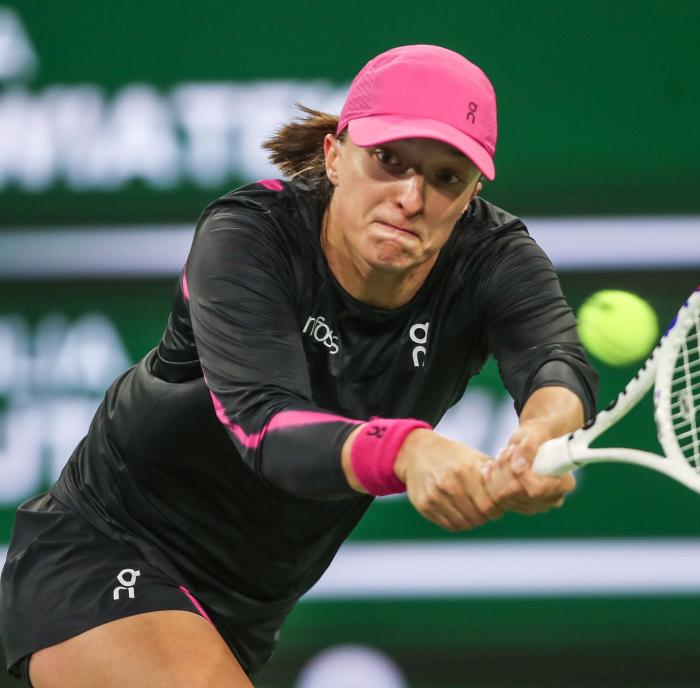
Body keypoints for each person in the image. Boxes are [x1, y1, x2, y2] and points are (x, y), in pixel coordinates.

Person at [0, 44, 598, 687]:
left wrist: (543, 435)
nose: (410, 196)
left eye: (446, 177)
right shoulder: (248, 234)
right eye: (388, 160)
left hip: (249, 608)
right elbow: (265, 426)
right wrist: (405, 452)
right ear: (335, 156)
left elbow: (554, 363)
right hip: (106, 547)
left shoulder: (494, 258)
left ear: (472, 192)